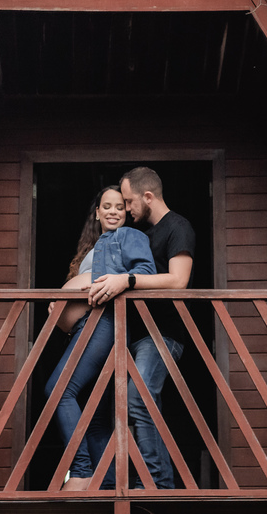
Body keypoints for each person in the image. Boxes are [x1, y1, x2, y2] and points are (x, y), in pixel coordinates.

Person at [87, 167, 194, 489]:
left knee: (138, 398)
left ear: (148, 197)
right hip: (133, 334)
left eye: (130, 201)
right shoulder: (141, 236)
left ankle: (158, 484)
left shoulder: (178, 226)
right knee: (117, 403)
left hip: (163, 334)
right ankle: (125, 479)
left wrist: (128, 279)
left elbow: (178, 281)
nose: (126, 208)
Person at [44, 186, 155, 491]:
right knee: (95, 418)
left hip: (104, 324)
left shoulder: (129, 237)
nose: (113, 212)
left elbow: (144, 272)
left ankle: (80, 471)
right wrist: (62, 300)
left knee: (58, 389)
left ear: (127, 212)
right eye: (106, 206)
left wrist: (77, 290)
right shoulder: (93, 248)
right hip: (85, 328)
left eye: (119, 206)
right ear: (97, 212)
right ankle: (105, 487)